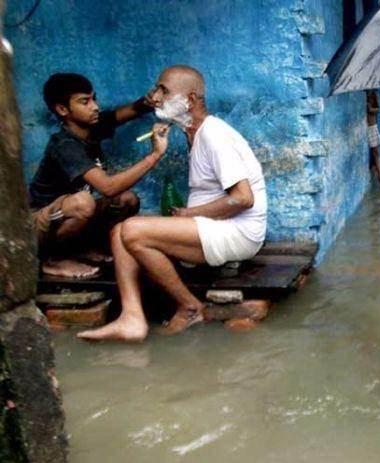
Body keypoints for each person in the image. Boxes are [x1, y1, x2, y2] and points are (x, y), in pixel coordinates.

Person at [78, 65, 267, 342]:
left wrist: (190, 214)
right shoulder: (195, 132)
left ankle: (190, 307)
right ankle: (131, 318)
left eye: (163, 91)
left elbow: (243, 198)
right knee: (119, 232)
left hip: (239, 232)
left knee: (132, 230)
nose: (154, 96)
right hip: (212, 227)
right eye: (157, 89)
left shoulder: (214, 135)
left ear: (190, 100)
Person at [28, 73, 161, 279]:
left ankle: (82, 249)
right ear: (62, 110)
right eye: (85, 102)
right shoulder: (65, 146)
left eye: (94, 99)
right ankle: (52, 260)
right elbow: (108, 187)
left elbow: (132, 110)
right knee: (84, 203)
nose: (95, 107)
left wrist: (150, 100)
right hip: (37, 227)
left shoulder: (92, 127)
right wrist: (154, 156)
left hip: (68, 215)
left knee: (127, 200)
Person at [366, 90, 380, 185]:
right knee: (375, 152)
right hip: (366, 126)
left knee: (376, 152)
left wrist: (370, 109)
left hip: (371, 126)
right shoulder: (364, 93)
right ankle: (378, 174)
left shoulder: (373, 94)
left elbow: (378, 109)